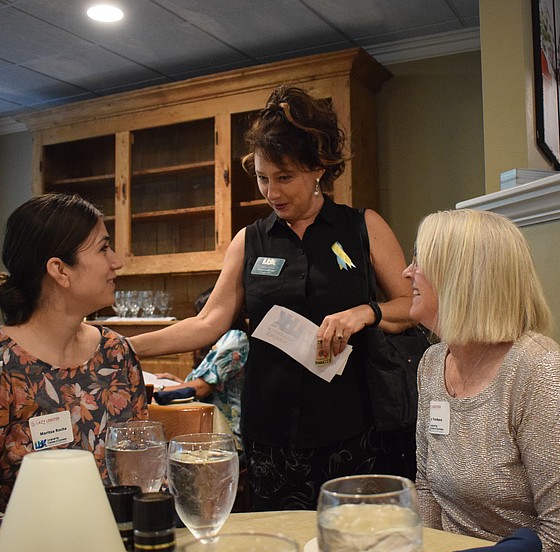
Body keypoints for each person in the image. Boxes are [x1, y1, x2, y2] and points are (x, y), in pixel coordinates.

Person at [130, 85, 414, 510]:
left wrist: (364, 312)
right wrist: (121, 345)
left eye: (285, 178)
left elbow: (411, 306)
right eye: (263, 178)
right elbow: (207, 324)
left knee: (353, 544)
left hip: (353, 426)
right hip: (270, 434)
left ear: (317, 168)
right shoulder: (249, 241)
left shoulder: (362, 227)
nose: (272, 192)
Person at [407, 209, 560, 552]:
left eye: (420, 260)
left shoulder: (541, 371)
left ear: (461, 277)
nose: (408, 272)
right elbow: (428, 487)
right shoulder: (433, 363)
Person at [0, 193, 148, 534]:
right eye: (103, 248)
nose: (117, 261)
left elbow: (143, 473)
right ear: (59, 270)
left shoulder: (116, 354)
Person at [154, 287, 249, 446]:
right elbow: (211, 387)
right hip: (205, 424)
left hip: (227, 434)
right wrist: (176, 382)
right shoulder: (217, 340)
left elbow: (201, 388)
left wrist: (158, 390)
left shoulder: (235, 338)